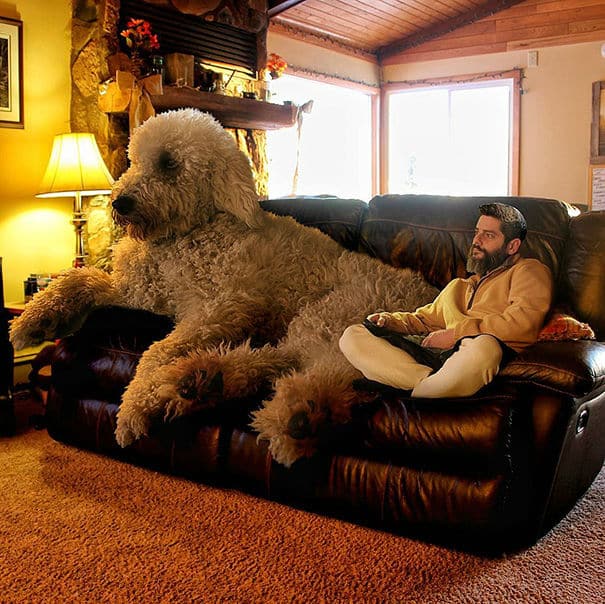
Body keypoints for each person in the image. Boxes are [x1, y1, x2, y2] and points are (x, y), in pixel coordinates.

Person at [339, 203, 553, 398]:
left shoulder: (529, 271)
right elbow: (422, 320)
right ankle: (428, 384)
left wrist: (455, 335)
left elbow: (523, 323)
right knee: (352, 335)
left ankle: (413, 390)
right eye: (476, 232)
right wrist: (389, 321)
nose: (476, 241)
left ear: (512, 246)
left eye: (488, 235)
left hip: (472, 356)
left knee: (485, 347)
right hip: (434, 360)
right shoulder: (459, 286)